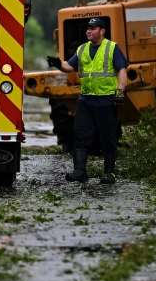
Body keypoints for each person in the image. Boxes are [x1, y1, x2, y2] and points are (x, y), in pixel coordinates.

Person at [47, 17, 127, 184]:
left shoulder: (112, 48)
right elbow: (69, 67)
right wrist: (58, 64)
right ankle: (80, 171)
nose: (88, 31)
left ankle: (109, 173)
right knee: (81, 136)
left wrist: (120, 91)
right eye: (87, 29)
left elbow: (121, 70)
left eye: (93, 28)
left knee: (108, 138)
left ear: (102, 31)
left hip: (106, 100)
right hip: (86, 100)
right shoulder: (82, 49)